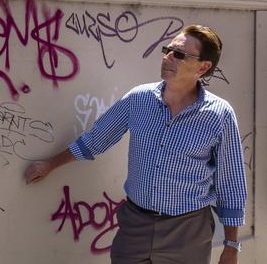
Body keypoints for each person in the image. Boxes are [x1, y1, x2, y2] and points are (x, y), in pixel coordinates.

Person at [25, 25, 246, 264]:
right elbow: (95, 140)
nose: (168, 57)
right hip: (134, 227)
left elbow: (231, 183)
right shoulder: (139, 99)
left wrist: (231, 247)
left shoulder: (219, 115)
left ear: (203, 67)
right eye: (168, 50)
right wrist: (50, 164)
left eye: (179, 54)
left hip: (187, 233)